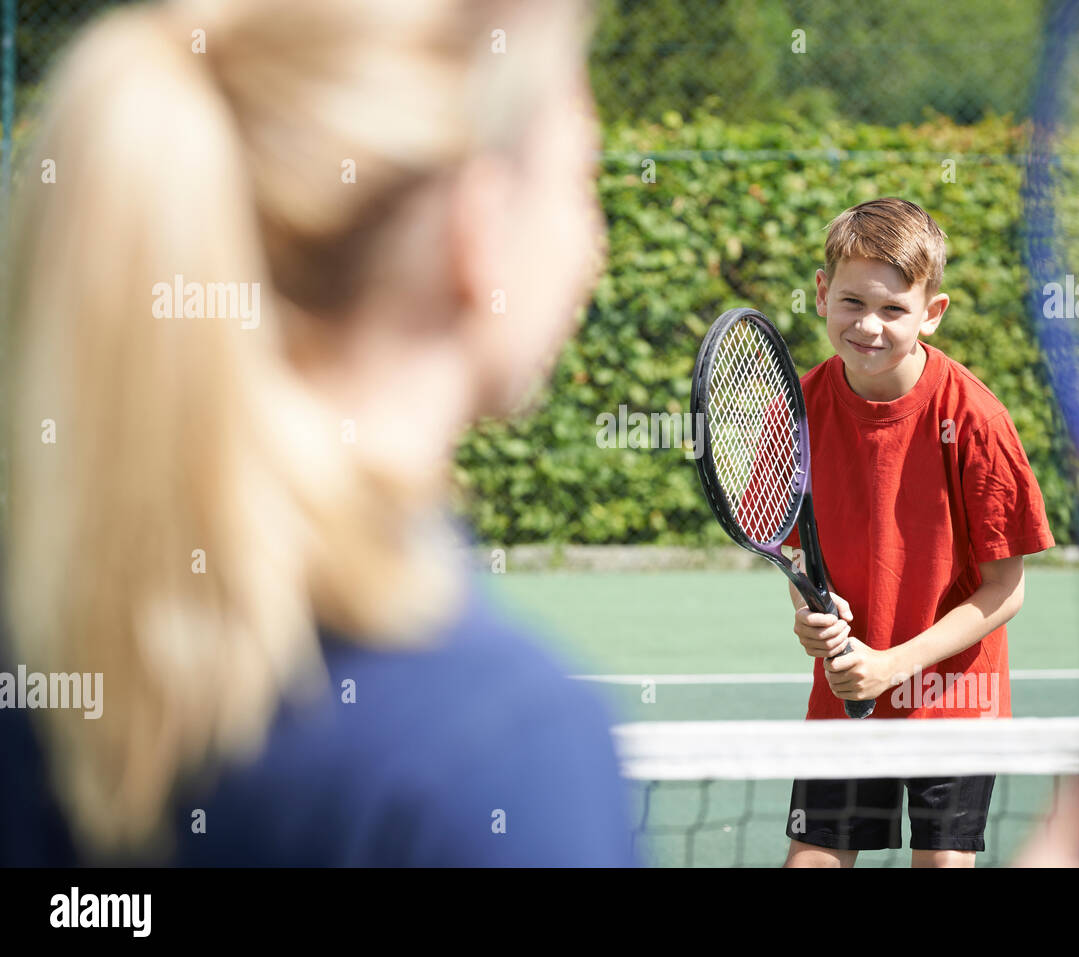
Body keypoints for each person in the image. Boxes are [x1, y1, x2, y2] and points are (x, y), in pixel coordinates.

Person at [0, 0, 635, 866]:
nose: (589, 244)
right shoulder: (501, 747)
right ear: (477, 229)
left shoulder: (39, 673)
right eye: (580, 181)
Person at [782, 197, 1056, 868]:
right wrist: (809, 610)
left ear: (932, 312)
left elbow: (1004, 591)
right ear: (821, 295)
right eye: (851, 302)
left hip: (956, 701)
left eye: (894, 309)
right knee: (812, 858)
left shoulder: (976, 419)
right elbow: (792, 543)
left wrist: (891, 665)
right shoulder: (798, 409)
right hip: (847, 692)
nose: (868, 325)